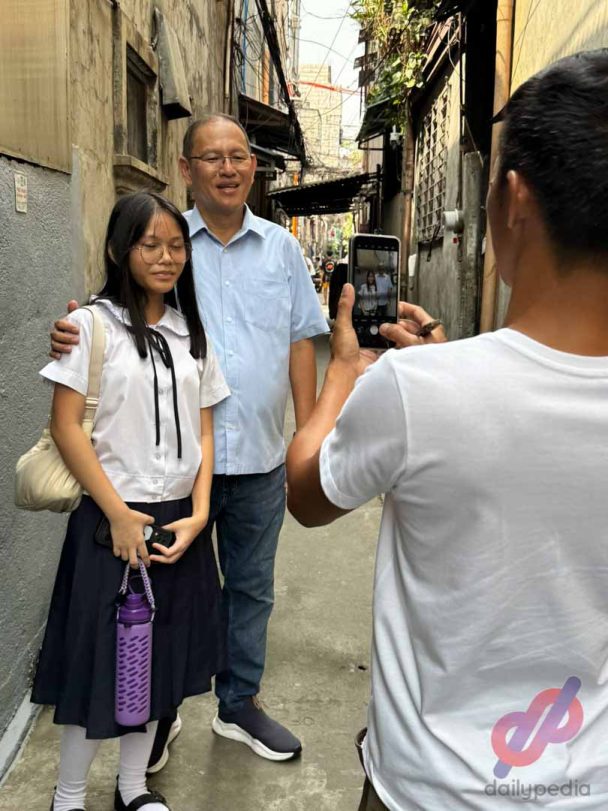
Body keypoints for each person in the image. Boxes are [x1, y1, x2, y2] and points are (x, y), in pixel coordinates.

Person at [286, 50, 608, 810]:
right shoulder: (433, 384)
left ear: (514, 199)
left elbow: (307, 491)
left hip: (429, 789)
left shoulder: (416, 390)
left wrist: (344, 372)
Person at [49, 113, 328, 766]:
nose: (227, 168)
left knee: (250, 588)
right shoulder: (167, 241)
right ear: (185, 169)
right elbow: (114, 314)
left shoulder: (282, 250)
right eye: (211, 157)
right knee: (163, 596)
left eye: (238, 156)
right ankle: (159, 711)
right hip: (169, 471)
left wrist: (307, 439)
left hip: (258, 456)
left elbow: (300, 345)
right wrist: (72, 329)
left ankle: (238, 705)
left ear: (253, 167)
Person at [35, 192, 230, 811]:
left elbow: (205, 429)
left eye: (176, 246)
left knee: (157, 656)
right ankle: (68, 796)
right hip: (110, 521)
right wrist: (118, 514)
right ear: (120, 250)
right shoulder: (91, 327)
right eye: (150, 245)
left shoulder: (191, 332)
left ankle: (134, 788)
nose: (166, 257)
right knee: (100, 659)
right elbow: (67, 426)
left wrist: (200, 513)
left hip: (178, 522)